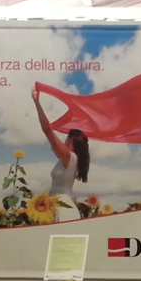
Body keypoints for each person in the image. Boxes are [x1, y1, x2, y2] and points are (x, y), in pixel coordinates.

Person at [32, 86, 90, 222]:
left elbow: (48, 131)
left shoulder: (69, 157)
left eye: (66, 138)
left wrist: (37, 102)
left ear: (71, 140)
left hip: (61, 207)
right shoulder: (69, 159)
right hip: (60, 204)